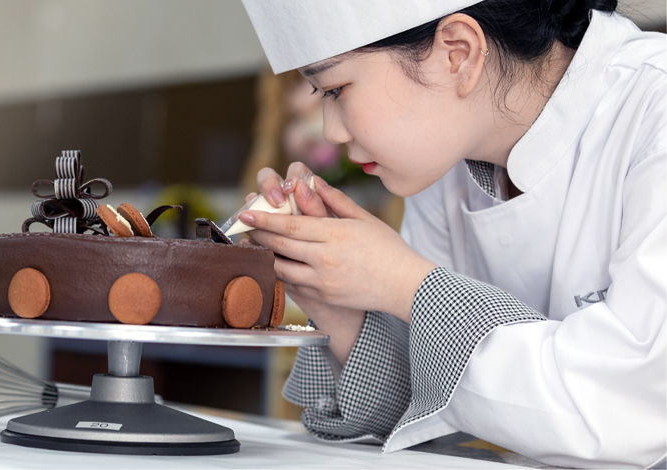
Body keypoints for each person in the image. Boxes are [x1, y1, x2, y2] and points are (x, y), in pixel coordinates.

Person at [238, 0, 665, 467]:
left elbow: (629, 411)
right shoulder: (446, 158)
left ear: (457, 53)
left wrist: (405, 284)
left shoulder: (655, 107)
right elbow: (436, 407)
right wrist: (338, 303)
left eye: (336, 89)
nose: (331, 132)